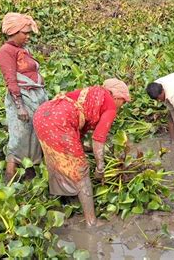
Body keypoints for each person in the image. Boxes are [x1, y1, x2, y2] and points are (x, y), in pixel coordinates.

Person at [32, 79, 131, 227]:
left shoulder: (92, 93)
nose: (121, 106)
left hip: (42, 114)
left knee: (56, 162)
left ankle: (64, 201)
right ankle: (92, 222)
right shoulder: (110, 105)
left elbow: (79, 123)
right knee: (82, 171)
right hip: (60, 122)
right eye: (123, 102)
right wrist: (100, 167)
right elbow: (98, 139)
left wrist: (88, 149)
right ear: (117, 97)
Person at [0, 13, 48, 182]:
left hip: (35, 98)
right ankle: (8, 180)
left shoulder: (23, 50)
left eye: (29, 33)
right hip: (22, 99)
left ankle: (29, 178)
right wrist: (20, 106)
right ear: (14, 31)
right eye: (25, 33)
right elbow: (10, 79)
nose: (28, 36)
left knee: (34, 136)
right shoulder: (5, 51)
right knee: (19, 138)